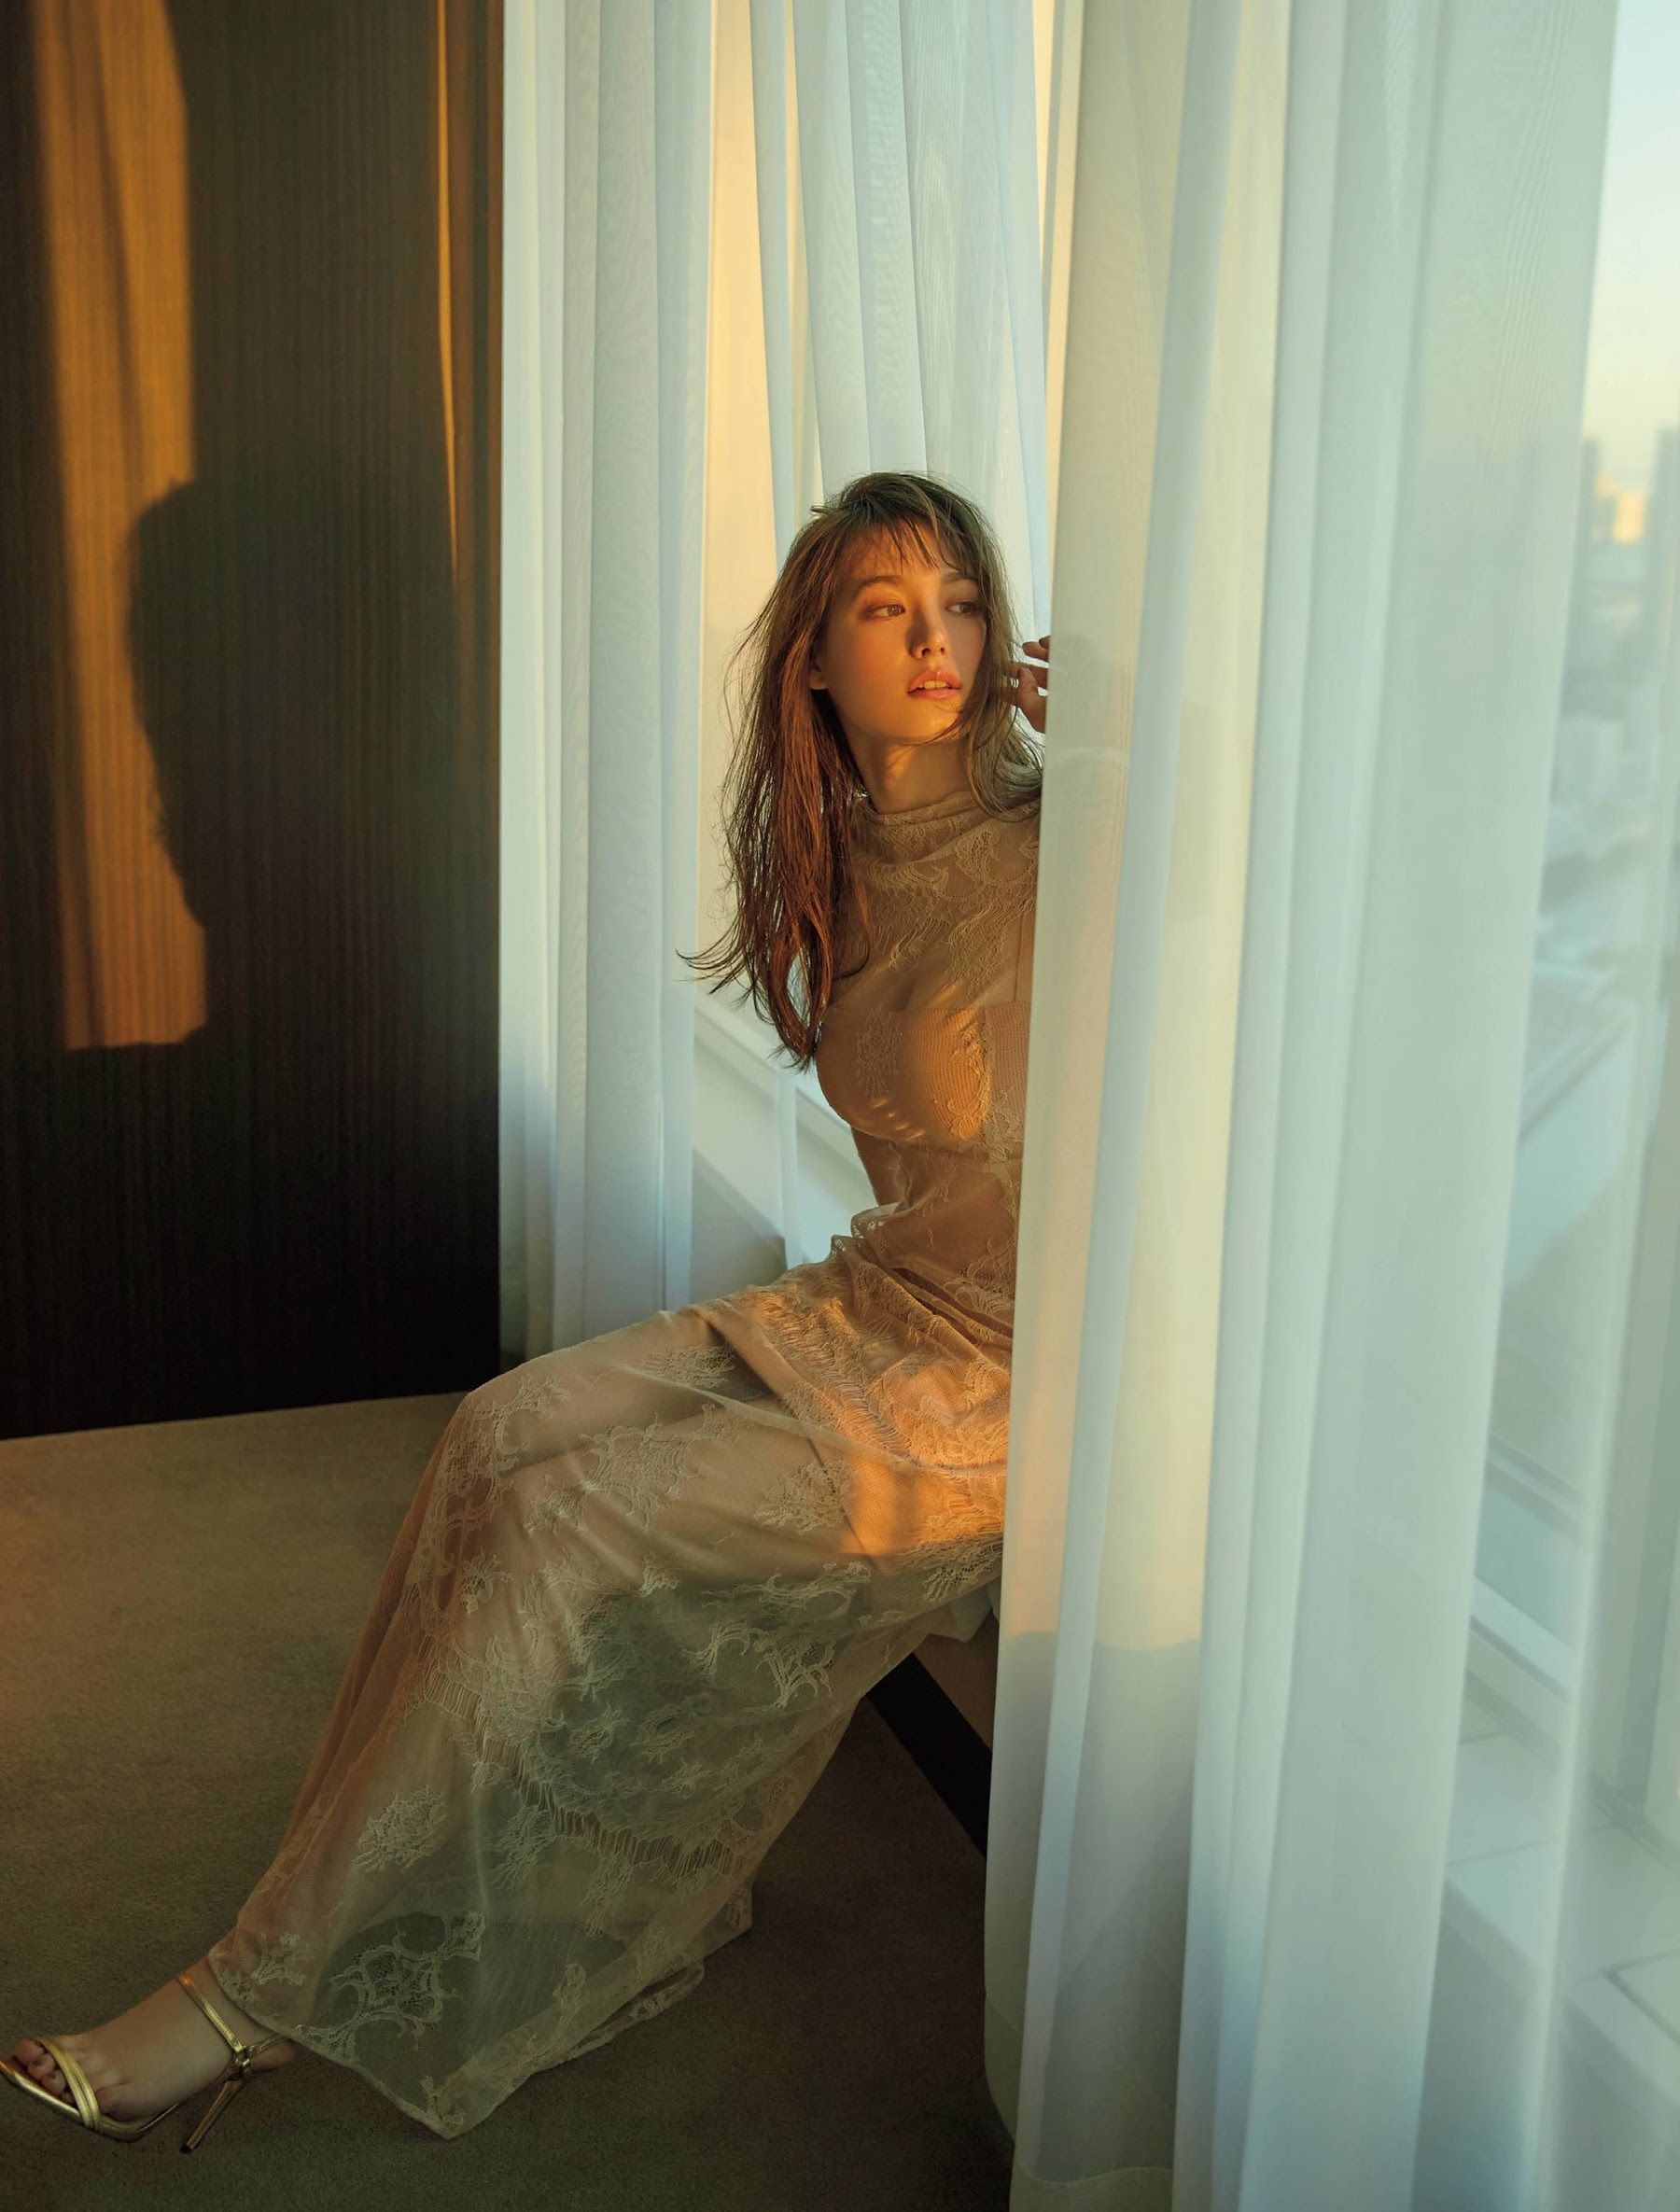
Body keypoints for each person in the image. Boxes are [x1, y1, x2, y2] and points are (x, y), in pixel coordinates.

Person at [4, 468, 1052, 2147]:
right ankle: (350, 1877)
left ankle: (242, 1999)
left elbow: (1281, 909)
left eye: (963, 604)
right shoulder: (838, 852)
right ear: (813, 661)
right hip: (876, 1298)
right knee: (501, 1431)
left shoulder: (1061, 848)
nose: (940, 641)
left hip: (993, 1393)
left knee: (569, 1526)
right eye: (888, 608)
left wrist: (1149, 748)